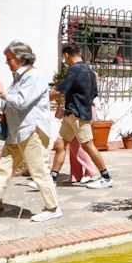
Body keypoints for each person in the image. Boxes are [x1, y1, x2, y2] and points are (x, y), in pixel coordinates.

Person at [0, 41, 63, 225]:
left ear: (21, 58)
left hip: (32, 131)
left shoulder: (34, 76)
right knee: (1, 171)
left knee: (39, 171)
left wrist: (2, 93)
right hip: (16, 132)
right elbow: (9, 102)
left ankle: (53, 208)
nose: (7, 63)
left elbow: (21, 102)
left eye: (9, 59)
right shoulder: (18, 78)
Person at [49, 43, 114, 189]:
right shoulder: (89, 71)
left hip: (78, 115)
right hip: (72, 114)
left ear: (66, 55)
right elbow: (94, 93)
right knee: (60, 144)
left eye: (64, 58)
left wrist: (41, 98)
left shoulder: (74, 70)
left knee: (88, 146)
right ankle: (51, 178)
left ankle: (106, 177)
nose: (64, 61)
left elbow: (60, 90)